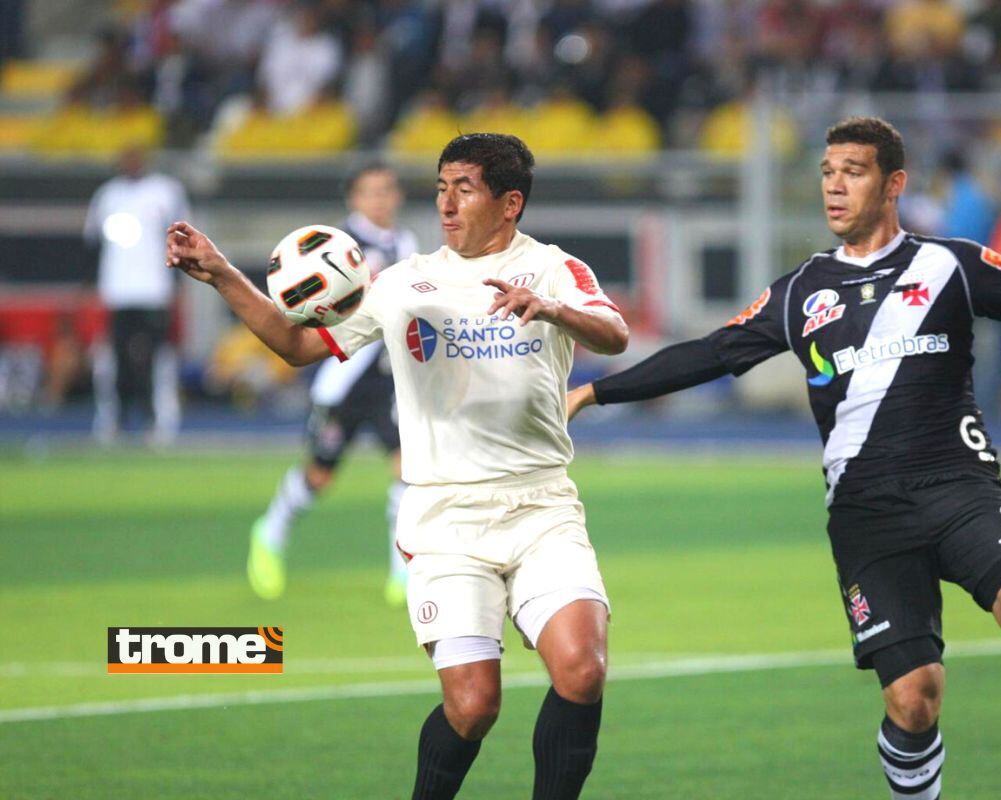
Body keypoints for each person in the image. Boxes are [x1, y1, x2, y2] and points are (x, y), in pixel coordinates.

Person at [567, 117, 1001, 800]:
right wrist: (596, 391)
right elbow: (709, 353)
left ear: (894, 183)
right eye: (827, 173)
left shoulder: (950, 265)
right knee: (914, 699)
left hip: (960, 485)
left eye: (854, 172)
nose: (834, 187)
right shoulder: (800, 292)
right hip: (867, 513)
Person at [167, 133, 628, 800]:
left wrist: (552, 308)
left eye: (464, 188)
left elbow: (613, 333)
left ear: (510, 203)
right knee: (473, 707)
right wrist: (220, 272)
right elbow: (296, 344)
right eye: (441, 186)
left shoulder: (556, 269)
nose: (446, 201)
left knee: (582, 670)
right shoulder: (402, 283)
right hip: (445, 517)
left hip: (541, 508)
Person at [247, 163, 419, 606]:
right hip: (341, 379)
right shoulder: (331, 246)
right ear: (353, 200)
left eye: (387, 190)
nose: (380, 199)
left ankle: (402, 570)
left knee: (408, 471)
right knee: (320, 475)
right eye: (370, 192)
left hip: (389, 379)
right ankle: (271, 529)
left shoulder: (406, 243)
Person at [85, 145, 190, 444]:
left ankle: (161, 422)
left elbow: (180, 240)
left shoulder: (166, 191)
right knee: (114, 358)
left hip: (155, 289)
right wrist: (91, 287)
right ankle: (112, 420)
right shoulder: (107, 195)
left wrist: (178, 286)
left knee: (157, 358)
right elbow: (93, 244)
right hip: (117, 290)